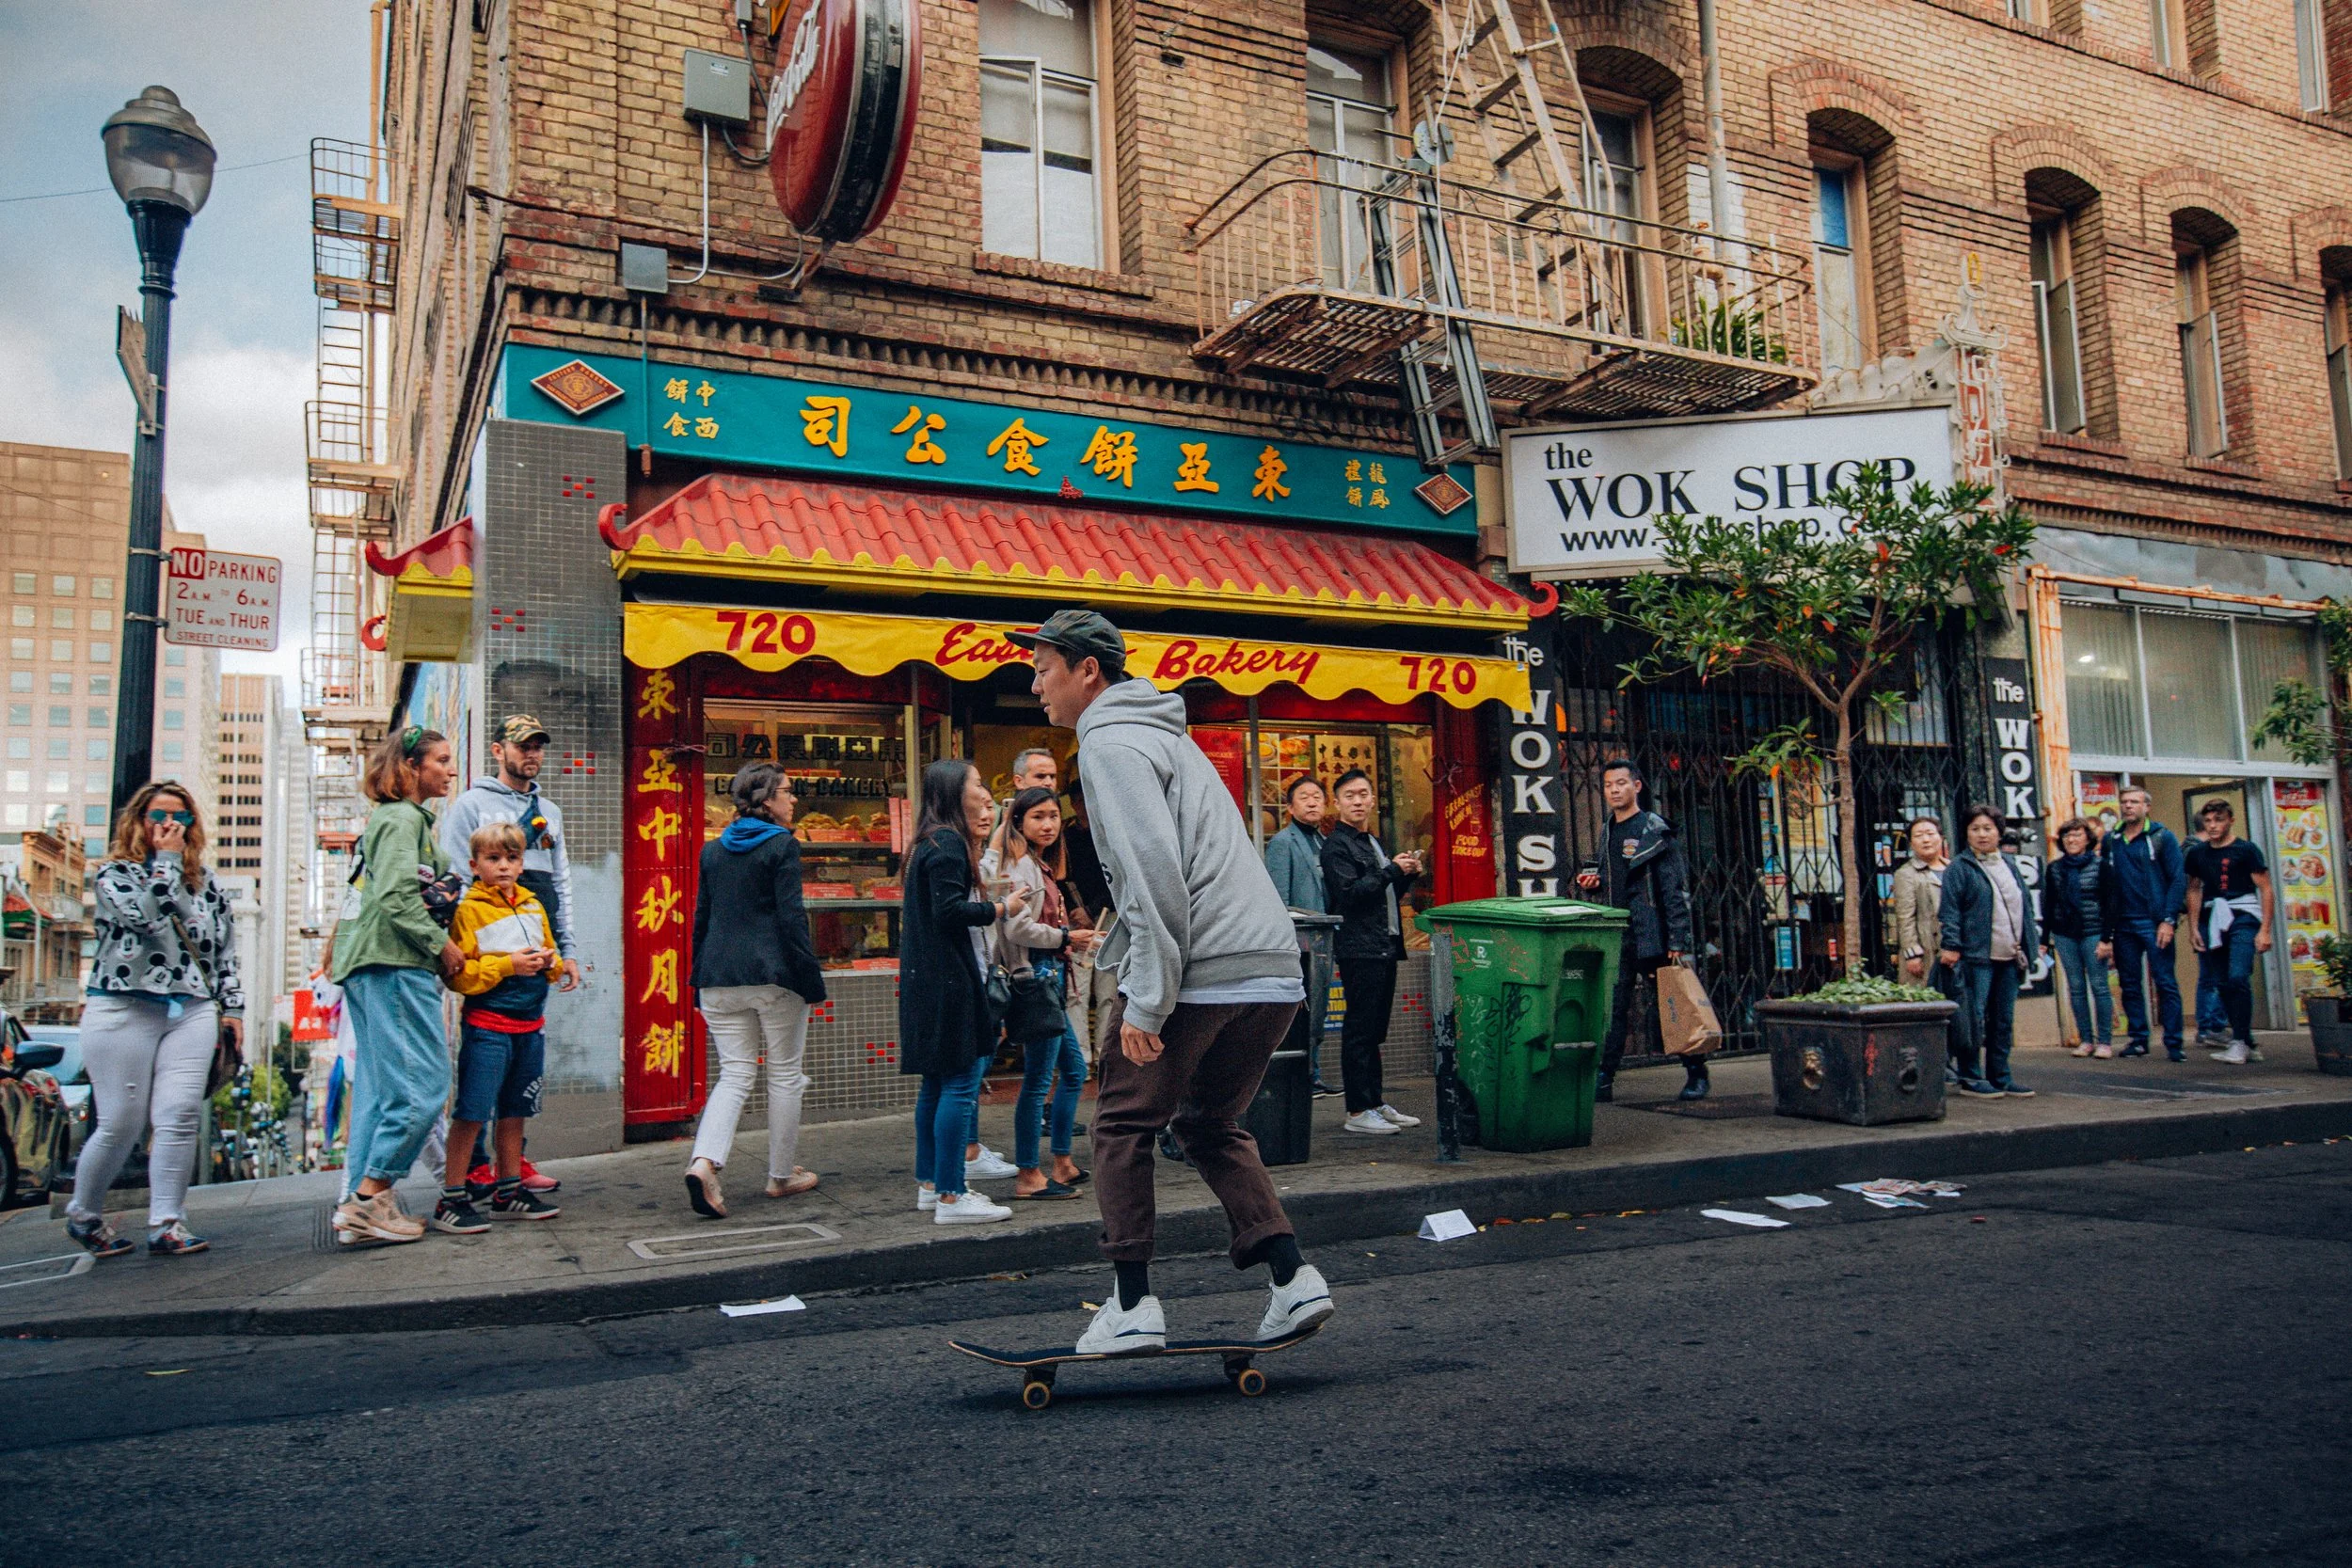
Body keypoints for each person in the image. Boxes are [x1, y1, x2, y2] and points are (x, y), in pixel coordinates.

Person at [1018, 609, 1332, 1354]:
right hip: (1272, 971)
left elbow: (1156, 877)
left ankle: (1131, 1304)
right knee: (1207, 1121)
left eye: (1043, 668)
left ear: (1087, 670)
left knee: (1122, 1123)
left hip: (1202, 969)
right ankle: (1292, 1279)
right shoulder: (1167, 735)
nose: (1034, 686)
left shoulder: (1110, 742)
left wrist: (1149, 1002)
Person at [64, 782, 246, 1259]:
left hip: (191, 1008)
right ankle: (85, 1215)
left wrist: (234, 1010)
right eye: (158, 816)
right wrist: (164, 864)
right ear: (138, 822)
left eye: (180, 818)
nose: (169, 826)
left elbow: (222, 951)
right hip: (124, 1007)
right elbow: (145, 919)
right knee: (121, 1123)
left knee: (179, 1115)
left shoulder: (207, 882)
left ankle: (168, 1223)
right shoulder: (113, 876)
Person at [332, 726, 466, 1246]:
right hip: (393, 965)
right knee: (424, 1088)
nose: (449, 770)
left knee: (382, 1094)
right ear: (411, 767)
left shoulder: (394, 821)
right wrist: (442, 946)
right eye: (441, 760)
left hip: (372, 965)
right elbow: (394, 894)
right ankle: (370, 1197)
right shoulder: (402, 819)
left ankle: (361, 1207)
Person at [438, 714, 577, 1194]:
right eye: (522, 746)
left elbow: (560, 881)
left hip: (534, 939)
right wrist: (449, 941)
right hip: (484, 941)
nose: (531, 754)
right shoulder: (470, 806)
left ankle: (511, 1166)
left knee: (523, 1066)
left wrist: (567, 950)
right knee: (483, 1066)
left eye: (538, 746)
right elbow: (453, 877)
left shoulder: (549, 811)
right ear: (498, 751)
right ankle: (472, 1168)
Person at [683, 763, 827, 1218]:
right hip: (773, 976)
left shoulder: (711, 851)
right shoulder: (782, 845)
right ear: (766, 800)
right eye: (788, 791)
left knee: (735, 1073)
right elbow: (792, 918)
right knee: (784, 1073)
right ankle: (781, 1175)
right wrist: (809, 978)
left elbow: (702, 917)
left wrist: (696, 976)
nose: (794, 799)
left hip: (718, 977)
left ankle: (704, 1162)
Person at [902, 759, 1029, 1225]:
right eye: (977, 782)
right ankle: (953, 1195)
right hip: (950, 983)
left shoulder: (930, 841)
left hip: (931, 981)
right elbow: (949, 912)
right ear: (955, 791)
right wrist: (1000, 906)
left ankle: (932, 1184)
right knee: (958, 1086)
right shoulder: (949, 844)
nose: (984, 791)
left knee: (936, 1086)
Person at [433, 822, 563, 1231]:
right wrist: (508, 965)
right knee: (472, 1112)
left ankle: (509, 1189)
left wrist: (551, 964)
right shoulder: (468, 910)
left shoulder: (532, 905)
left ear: (523, 863)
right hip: (488, 1027)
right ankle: (452, 1196)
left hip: (530, 1026)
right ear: (475, 865)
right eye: (493, 859)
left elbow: (551, 950)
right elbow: (458, 975)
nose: (503, 866)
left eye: (511, 858)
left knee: (515, 1111)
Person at [991, 785, 1098, 1200]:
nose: (1049, 824)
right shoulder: (1022, 866)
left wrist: (1071, 939)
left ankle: (1062, 1162)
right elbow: (1016, 928)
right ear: (1018, 822)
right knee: (1038, 1082)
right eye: (1038, 817)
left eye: (1053, 816)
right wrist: (1066, 936)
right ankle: (1028, 1174)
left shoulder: (1037, 863)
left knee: (1072, 1072)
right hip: (1036, 978)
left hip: (1048, 976)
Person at [1578, 759, 1701, 1103]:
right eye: (1608, 785)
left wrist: (1678, 939)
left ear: (1637, 786)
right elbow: (1608, 877)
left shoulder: (1653, 830)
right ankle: (1604, 1079)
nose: (1614, 790)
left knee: (1670, 1003)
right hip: (1619, 934)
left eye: (1620, 783)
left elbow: (1674, 890)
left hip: (1652, 934)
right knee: (1613, 1007)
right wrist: (1593, 883)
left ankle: (1696, 1070)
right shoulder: (1607, 830)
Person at [1319, 768, 1425, 1133]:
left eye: (1364, 794)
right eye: (1350, 795)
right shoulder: (1336, 845)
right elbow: (1349, 895)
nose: (1359, 801)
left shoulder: (1372, 842)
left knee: (1376, 1029)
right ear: (1337, 803)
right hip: (1359, 947)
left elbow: (1384, 893)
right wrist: (1391, 870)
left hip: (1384, 945)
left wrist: (1407, 872)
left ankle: (1375, 1102)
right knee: (1360, 1028)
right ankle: (1357, 1111)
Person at [1938, 804, 2038, 1098]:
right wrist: (1952, 946)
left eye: (1988, 829)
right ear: (1966, 833)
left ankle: (2001, 1076)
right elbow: (1950, 911)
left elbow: (2025, 909)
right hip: (1976, 957)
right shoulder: (1959, 868)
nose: (1982, 835)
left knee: (2003, 1020)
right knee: (1973, 1019)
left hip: (2009, 956)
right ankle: (1971, 1077)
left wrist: (2032, 946)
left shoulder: (2009, 864)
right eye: (1975, 829)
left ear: (1999, 831)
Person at [2099, 784, 2186, 1060]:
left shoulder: (2162, 837)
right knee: (2129, 984)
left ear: (2146, 807)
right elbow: (2106, 885)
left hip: (2154, 922)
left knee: (2165, 982)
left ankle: (2174, 1043)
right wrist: (2108, 930)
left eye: (2135, 802)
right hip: (2123, 924)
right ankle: (2138, 1039)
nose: (2128, 806)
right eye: (2124, 802)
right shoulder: (2111, 840)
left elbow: (2177, 880)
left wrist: (2168, 919)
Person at [2184, 798, 2274, 1066]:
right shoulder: (2197, 853)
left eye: (2218, 820)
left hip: (2243, 914)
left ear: (2230, 821)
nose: (2213, 826)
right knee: (2221, 980)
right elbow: (2194, 888)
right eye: (2208, 821)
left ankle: (2240, 1040)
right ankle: (2245, 1040)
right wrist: (2193, 927)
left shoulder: (2246, 850)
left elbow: (2265, 888)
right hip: (2212, 917)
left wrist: (2265, 930)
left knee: (2237, 976)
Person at [1263, 775, 1335, 1097]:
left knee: (1319, 1007)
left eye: (1317, 796)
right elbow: (1278, 898)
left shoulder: (1325, 841)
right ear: (1290, 807)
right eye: (1304, 797)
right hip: (1299, 941)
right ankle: (1301, 1076)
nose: (1312, 802)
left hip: (1325, 938)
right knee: (1301, 1007)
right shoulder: (1283, 842)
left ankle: (1313, 1073)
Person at [1890, 816, 1961, 1083]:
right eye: (1919, 835)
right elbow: (1904, 917)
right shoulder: (1907, 873)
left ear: (1941, 837)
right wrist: (1912, 953)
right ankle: (1936, 1063)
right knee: (1927, 1010)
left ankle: (1954, 1061)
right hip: (1926, 950)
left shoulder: (1953, 869)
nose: (1926, 839)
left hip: (1954, 950)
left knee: (1955, 1010)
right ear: (1911, 843)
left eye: (1930, 833)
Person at [2042, 816, 2115, 1059]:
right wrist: (2044, 939)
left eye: (2077, 835)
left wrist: (2107, 938)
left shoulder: (2101, 866)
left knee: (2099, 986)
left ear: (2088, 838)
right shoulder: (2054, 868)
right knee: (2075, 987)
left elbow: (2110, 903)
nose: (2071, 840)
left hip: (2094, 932)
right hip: (2065, 934)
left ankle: (2104, 1041)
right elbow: (2049, 904)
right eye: (2067, 836)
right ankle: (2086, 1039)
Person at [1062, 776, 1120, 1069]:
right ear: (1072, 803)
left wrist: (1095, 907)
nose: (1083, 807)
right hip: (1076, 921)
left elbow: (1118, 877)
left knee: (1108, 992)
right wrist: (1076, 909)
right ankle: (1080, 1059)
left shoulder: (1110, 832)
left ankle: (1105, 1057)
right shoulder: (1066, 836)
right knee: (1077, 992)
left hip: (1108, 917)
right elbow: (1061, 878)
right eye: (1078, 801)